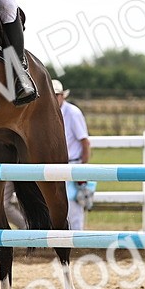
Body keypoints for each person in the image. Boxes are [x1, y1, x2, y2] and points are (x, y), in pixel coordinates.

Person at [53, 79, 92, 230]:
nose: (55, 98)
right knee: (61, 204)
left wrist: (83, 167)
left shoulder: (73, 113)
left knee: (73, 205)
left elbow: (85, 141)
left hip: (73, 163)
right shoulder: (52, 113)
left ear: (62, 96)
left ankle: (77, 237)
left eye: (57, 95)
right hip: (58, 165)